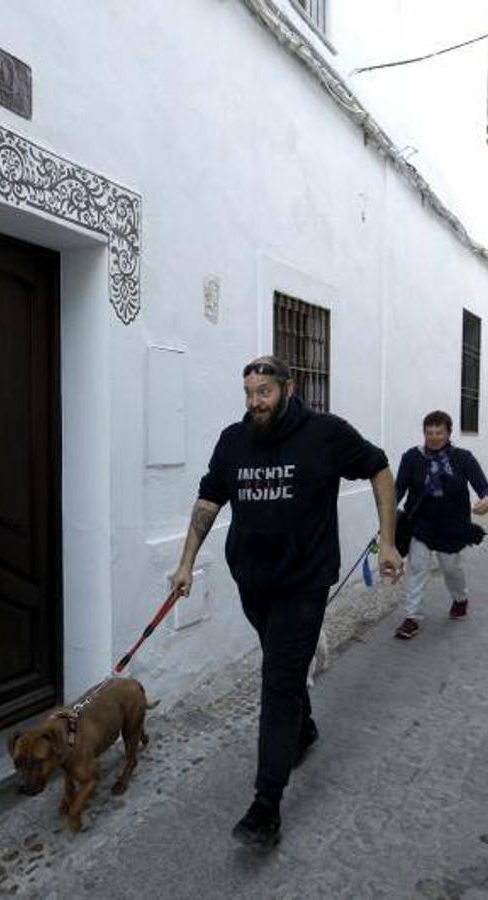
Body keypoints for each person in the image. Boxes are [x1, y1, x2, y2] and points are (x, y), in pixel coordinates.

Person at [169, 355, 403, 849]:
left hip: (304, 581)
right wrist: (187, 562)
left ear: (288, 388)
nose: (256, 403)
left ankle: (265, 806)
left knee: (276, 680)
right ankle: (304, 729)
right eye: (250, 394)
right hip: (253, 580)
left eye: (265, 393)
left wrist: (387, 539)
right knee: (285, 666)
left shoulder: (325, 434)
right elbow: (209, 499)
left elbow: (380, 468)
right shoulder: (233, 440)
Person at [392, 410, 488, 640]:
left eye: (439, 432)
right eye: (429, 432)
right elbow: (398, 489)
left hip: (453, 526)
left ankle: (460, 598)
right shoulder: (411, 457)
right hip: (420, 525)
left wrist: (486, 500)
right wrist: (387, 512)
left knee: (451, 569)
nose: (434, 437)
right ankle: (412, 618)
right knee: (417, 569)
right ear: (424, 433)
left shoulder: (463, 458)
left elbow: (485, 488)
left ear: (449, 432)